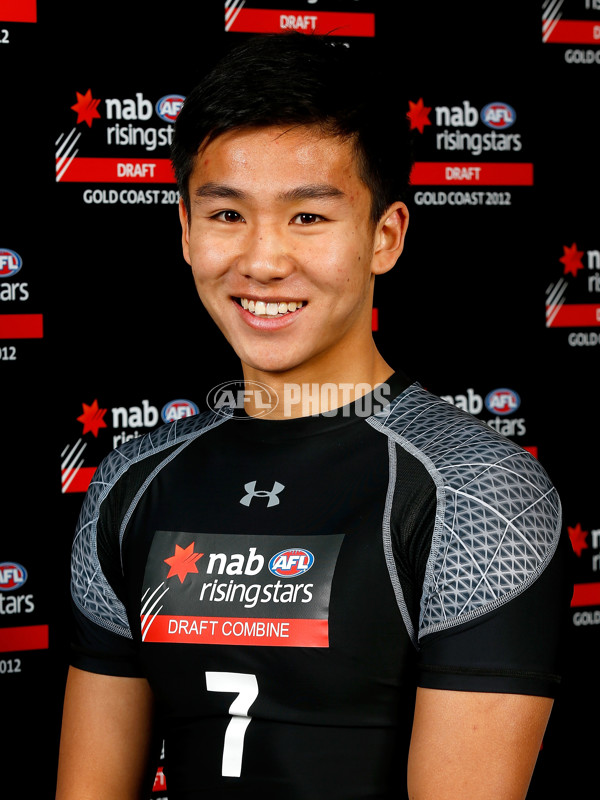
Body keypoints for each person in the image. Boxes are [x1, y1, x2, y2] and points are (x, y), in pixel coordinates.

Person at [56, 32, 570, 800]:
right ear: (186, 231)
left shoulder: (478, 493)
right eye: (227, 213)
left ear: (385, 237)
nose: (262, 261)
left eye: (308, 219)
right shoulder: (131, 481)